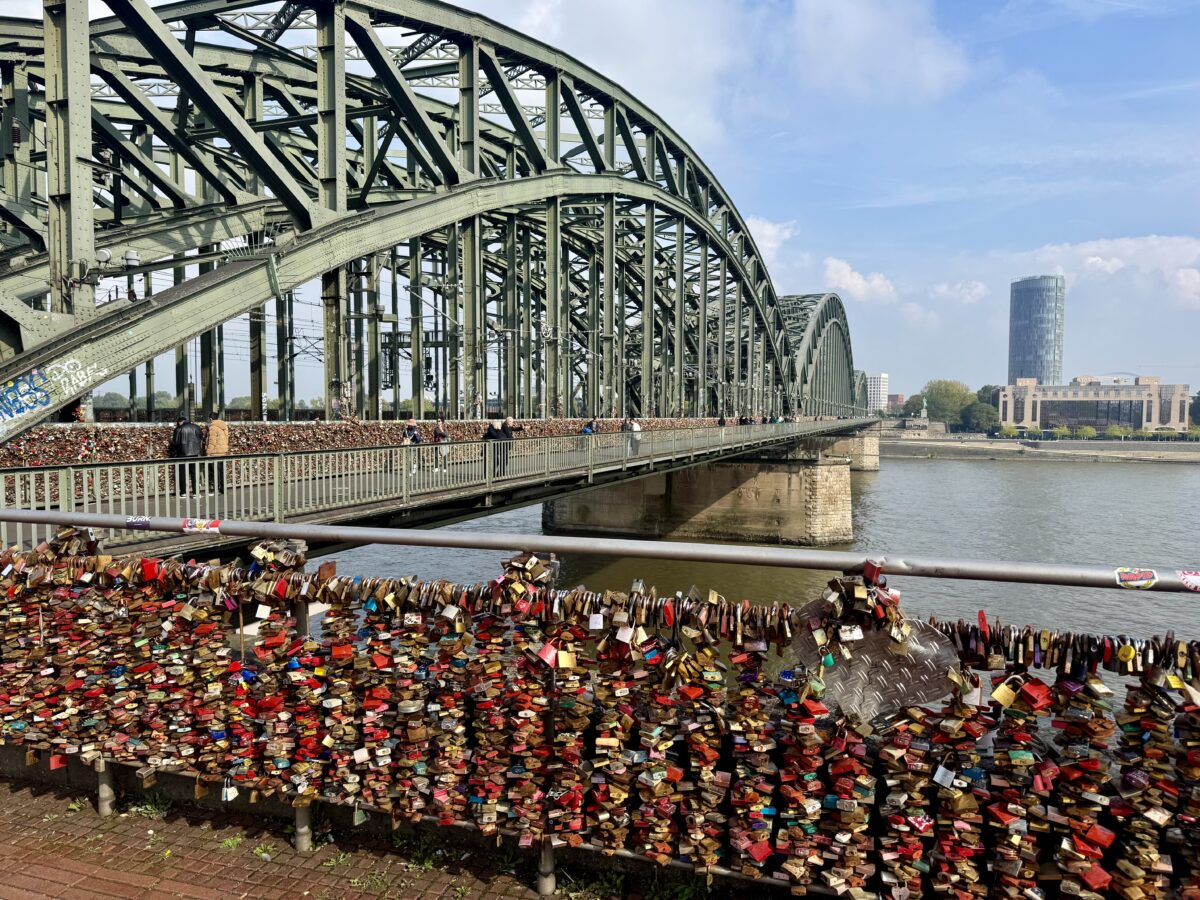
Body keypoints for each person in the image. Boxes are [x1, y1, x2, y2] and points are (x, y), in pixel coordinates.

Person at [169, 416, 205, 497]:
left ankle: (183, 492)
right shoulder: (196, 427)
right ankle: (196, 493)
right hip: (195, 454)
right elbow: (200, 438)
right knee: (194, 473)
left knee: (182, 474)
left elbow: (175, 443)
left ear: (180, 422)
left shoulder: (178, 429)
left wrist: (173, 452)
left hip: (182, 454)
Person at [204, 414, 229, 494]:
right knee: (221, 471)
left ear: (211, 419)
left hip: (214, 453)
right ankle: (223, 489)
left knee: (214, 472)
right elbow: (226, 438)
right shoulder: (223, 426)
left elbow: (212, 442)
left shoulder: (213, 427)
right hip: (222, 452)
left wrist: (208, 452)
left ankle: (216, 489)